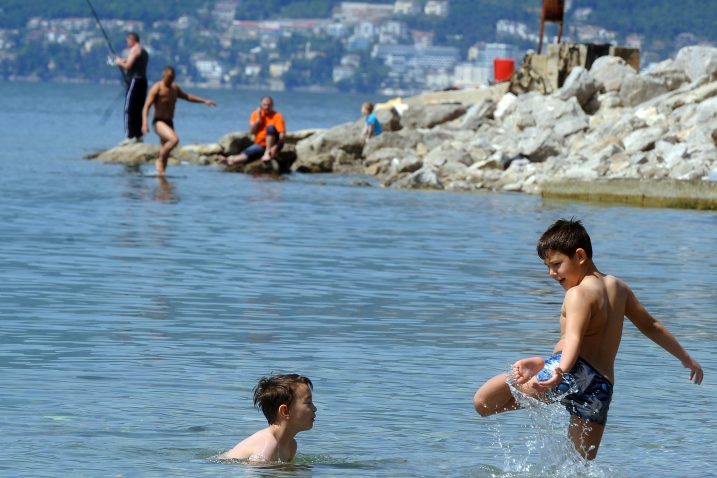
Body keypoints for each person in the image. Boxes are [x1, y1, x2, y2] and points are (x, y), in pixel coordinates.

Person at [472, 218, 703, 460]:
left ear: (580, 255)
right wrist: (685, 358)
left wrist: (559, 369)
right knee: (577, 467)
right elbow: (652, 326)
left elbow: (574, 338)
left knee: (483, 403)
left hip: (571, 370)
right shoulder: (619, 287)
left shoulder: (578, 293)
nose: (551, 274)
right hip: (601, 388)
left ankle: (535, 365)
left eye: (556, 264)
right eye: (547, 267)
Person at [220, 374, 316, 463]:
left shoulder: (291, 445)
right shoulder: (268, 446)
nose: (314, 408)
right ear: (285, 411)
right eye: (308, 402)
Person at [141, 66, 216, 175]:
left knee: (166, 152)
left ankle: (162, 181)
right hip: (158, 122)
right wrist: (144, 123)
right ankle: (159, 160)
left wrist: (204, 101)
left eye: (173, 77)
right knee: (174, 140)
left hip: (169, 122)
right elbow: (146, 106)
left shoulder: (174, 88)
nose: (171, 80)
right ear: (163, 76)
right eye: (169, 77)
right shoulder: (157, 88)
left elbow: (188, 97)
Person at [217, 96, 285, 166]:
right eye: (264, 105)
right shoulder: (255, 114)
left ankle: (267, 152)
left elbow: (282, 135)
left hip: (273, 144)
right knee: (246, 154)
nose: (266, 107)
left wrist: (275, 147)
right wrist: (258, 120)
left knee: (270, 128)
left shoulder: (277, 116)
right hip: (260, 144)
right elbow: (251, 132)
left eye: (269, 105)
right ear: (260, 105)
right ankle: (229, 160)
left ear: (272, 106)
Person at [114, 32, 149, 145]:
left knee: (129, 109)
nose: (127, 43)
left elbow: (128, 66)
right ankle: (138, 136)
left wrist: (119, 62)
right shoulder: (144, 51)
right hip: (143, 82)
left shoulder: (134, 50)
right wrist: (123, 60)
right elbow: (133, 63)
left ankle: (129, 136)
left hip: (135, 81)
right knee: (138, 109)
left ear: (132, 40)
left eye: (127, 41)